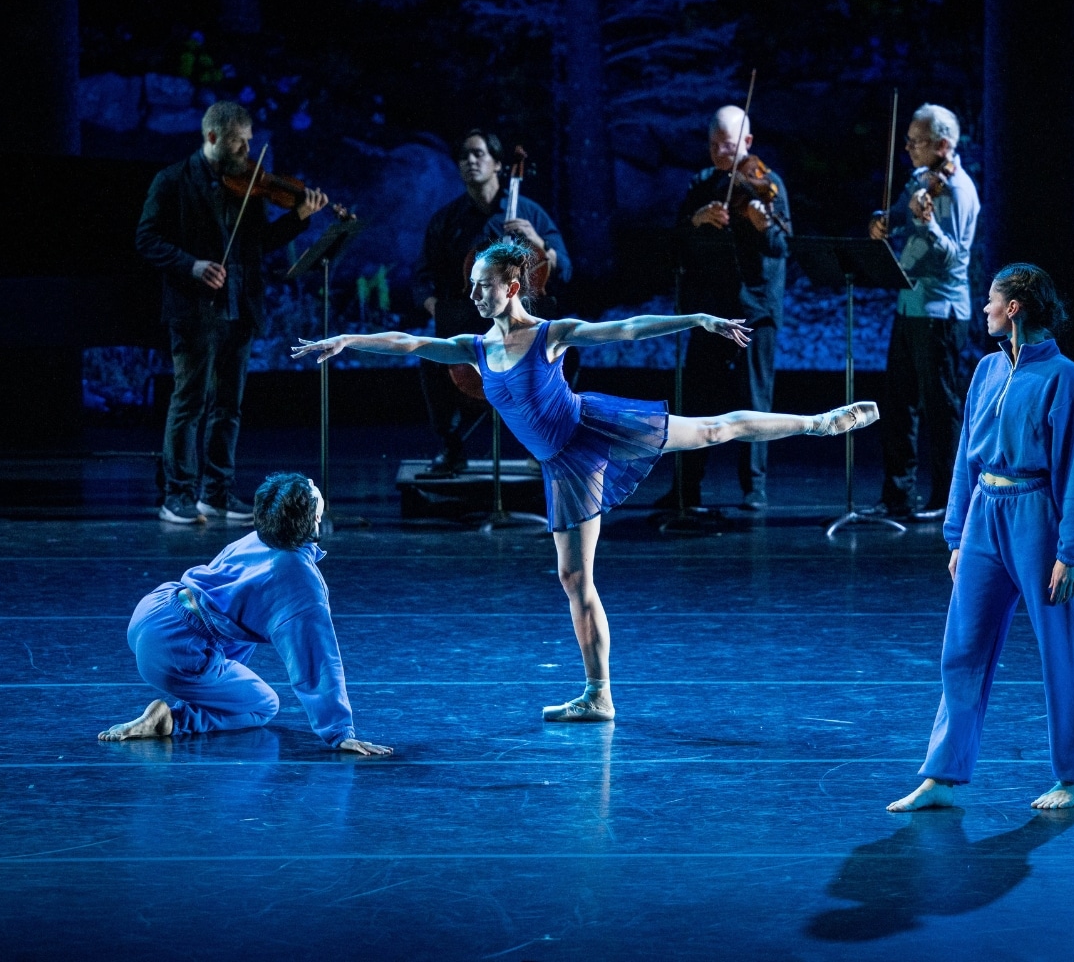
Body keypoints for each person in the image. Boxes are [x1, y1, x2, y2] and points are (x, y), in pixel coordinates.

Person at [292, 238, 876, 723]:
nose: (473, 295)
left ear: (512, 287)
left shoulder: (549, 334)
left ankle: (819, 422)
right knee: (574, 579)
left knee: (712, 432)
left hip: (593, 428)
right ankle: (600, 694)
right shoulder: (473, 347)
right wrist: (347, 340)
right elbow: (409, 343)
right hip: (563, 468)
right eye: (471, 285)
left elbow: (624, 330)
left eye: (483, 285)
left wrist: (695, 318)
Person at [888, 263, 1074, 813]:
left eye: (991, 301)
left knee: (1058, 647)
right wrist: (956, 534)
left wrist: (1069, 551)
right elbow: (965, 457)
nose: (984, 309)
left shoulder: (1062, 376)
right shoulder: (984, 369)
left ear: (1016, 307)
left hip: (1035, 517)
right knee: (962, 648)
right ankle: (943, 776)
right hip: (985, 513)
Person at [99, 471, 393, 756]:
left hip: (154, 610)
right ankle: (174, 721)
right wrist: (340, 732)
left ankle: (190, 699)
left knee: (231, 645)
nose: (312, 482)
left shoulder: (258, 537)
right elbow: (316, 661)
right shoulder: (301, 584)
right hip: (174, 651)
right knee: (263, 704)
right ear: (315, 519)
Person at [136, 101, 331, 524]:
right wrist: (192, 265)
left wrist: (298, 218)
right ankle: (178, 495)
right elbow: (147, 239)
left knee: (229, 405)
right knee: (189, 402)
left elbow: (257, 243)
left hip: (240, 305)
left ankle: (217, 491)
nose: (248, 150)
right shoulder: (172, 181)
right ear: (212, 138)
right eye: (240, 143)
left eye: (249, 142)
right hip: (195, 308)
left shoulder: (246, 184)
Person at [414, 129, 572, 476]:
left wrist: (537, 243)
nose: (470, 161)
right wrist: (436, 308)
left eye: (479, 154)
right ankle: (451, 447)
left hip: (520, 328)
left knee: (564, 354)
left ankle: (544, 443)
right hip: (468, 324)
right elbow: (422, 277)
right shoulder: (446, 220)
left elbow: (566, 268)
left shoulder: (530, 213)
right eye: (464, 156)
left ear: (499, 164)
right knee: (430, 362)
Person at [662, 105, 791, 510]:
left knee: (754, 398)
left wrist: (762, 225)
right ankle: (687, 486)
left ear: (748, 143)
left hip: (756, 307)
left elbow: (784, 246)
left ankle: (754, 487)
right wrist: (697, 220)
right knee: (697, 398)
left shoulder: (767, 184)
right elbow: (676, 243)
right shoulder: (702, 184)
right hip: (711, 310)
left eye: (729, 144)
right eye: (713, 143)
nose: (720, 151)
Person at [869, 103, 982, 521]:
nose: (908, 148)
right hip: (910, 303)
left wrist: (929, 225)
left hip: (941, 311)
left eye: (916, 142)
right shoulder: (921, 180)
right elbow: (898, 218)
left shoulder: (958, 190)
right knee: (898, 403)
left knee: (941, 406)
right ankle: (895, 493)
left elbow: (955, 258)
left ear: (943, 145)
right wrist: (883, 222)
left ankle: (948, 499)